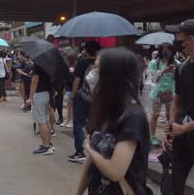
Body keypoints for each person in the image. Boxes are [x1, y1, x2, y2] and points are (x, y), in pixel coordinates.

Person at [76, 48, 150, 195]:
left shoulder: (133, 117)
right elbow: (91, 162)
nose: (91, 74)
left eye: (96, 68)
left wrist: (89, 147)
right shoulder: (105, 109)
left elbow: (114, 172)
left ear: (112, 75)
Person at [164, 19, 194, 194]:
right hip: (183, 137)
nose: (175, 38)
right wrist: (170, 128)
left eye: (178, 34)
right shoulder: (182, 68)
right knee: (175, 184)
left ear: (190, 39)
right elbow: (177, 101)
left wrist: (182, 128)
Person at [68, 40, 101, 162]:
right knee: (95, 124)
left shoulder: (82, 63)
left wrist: (73, 95)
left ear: (86, 51)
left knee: (78, 124)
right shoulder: (102, 64)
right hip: (97, 98)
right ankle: (96, 150)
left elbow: (77, 81)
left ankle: (79, 152)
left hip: (81, 98)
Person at [148, 42, 179, 147]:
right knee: (155, 115)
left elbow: (179, 80)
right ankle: (153, 137)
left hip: (171, 93)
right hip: (157, 93)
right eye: (163, 49)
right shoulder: (154, 63)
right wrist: (163, 71)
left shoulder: (177, 63)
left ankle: (169, 136)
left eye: (168, 49)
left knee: (170, 116)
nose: (166, 52)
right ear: (160, 51)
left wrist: (175, 73)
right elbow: (153, 79)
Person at [26, 63, 54, 155]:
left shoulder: (38, 64)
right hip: (47, 93)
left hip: (39, 94)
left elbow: (35, 81)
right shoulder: (50, 64)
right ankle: (48, 144)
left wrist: (30, 96)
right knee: (45, 119)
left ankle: (46, 146)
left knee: (41, 120)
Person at [61, 49, 78, 128]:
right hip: (68, 87)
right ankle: (67, 119)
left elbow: (75, 79)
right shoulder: (69, 66)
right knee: (68, 105)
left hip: (72, 88)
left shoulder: (76, 66)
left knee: (71, 105)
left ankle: (71, 120)